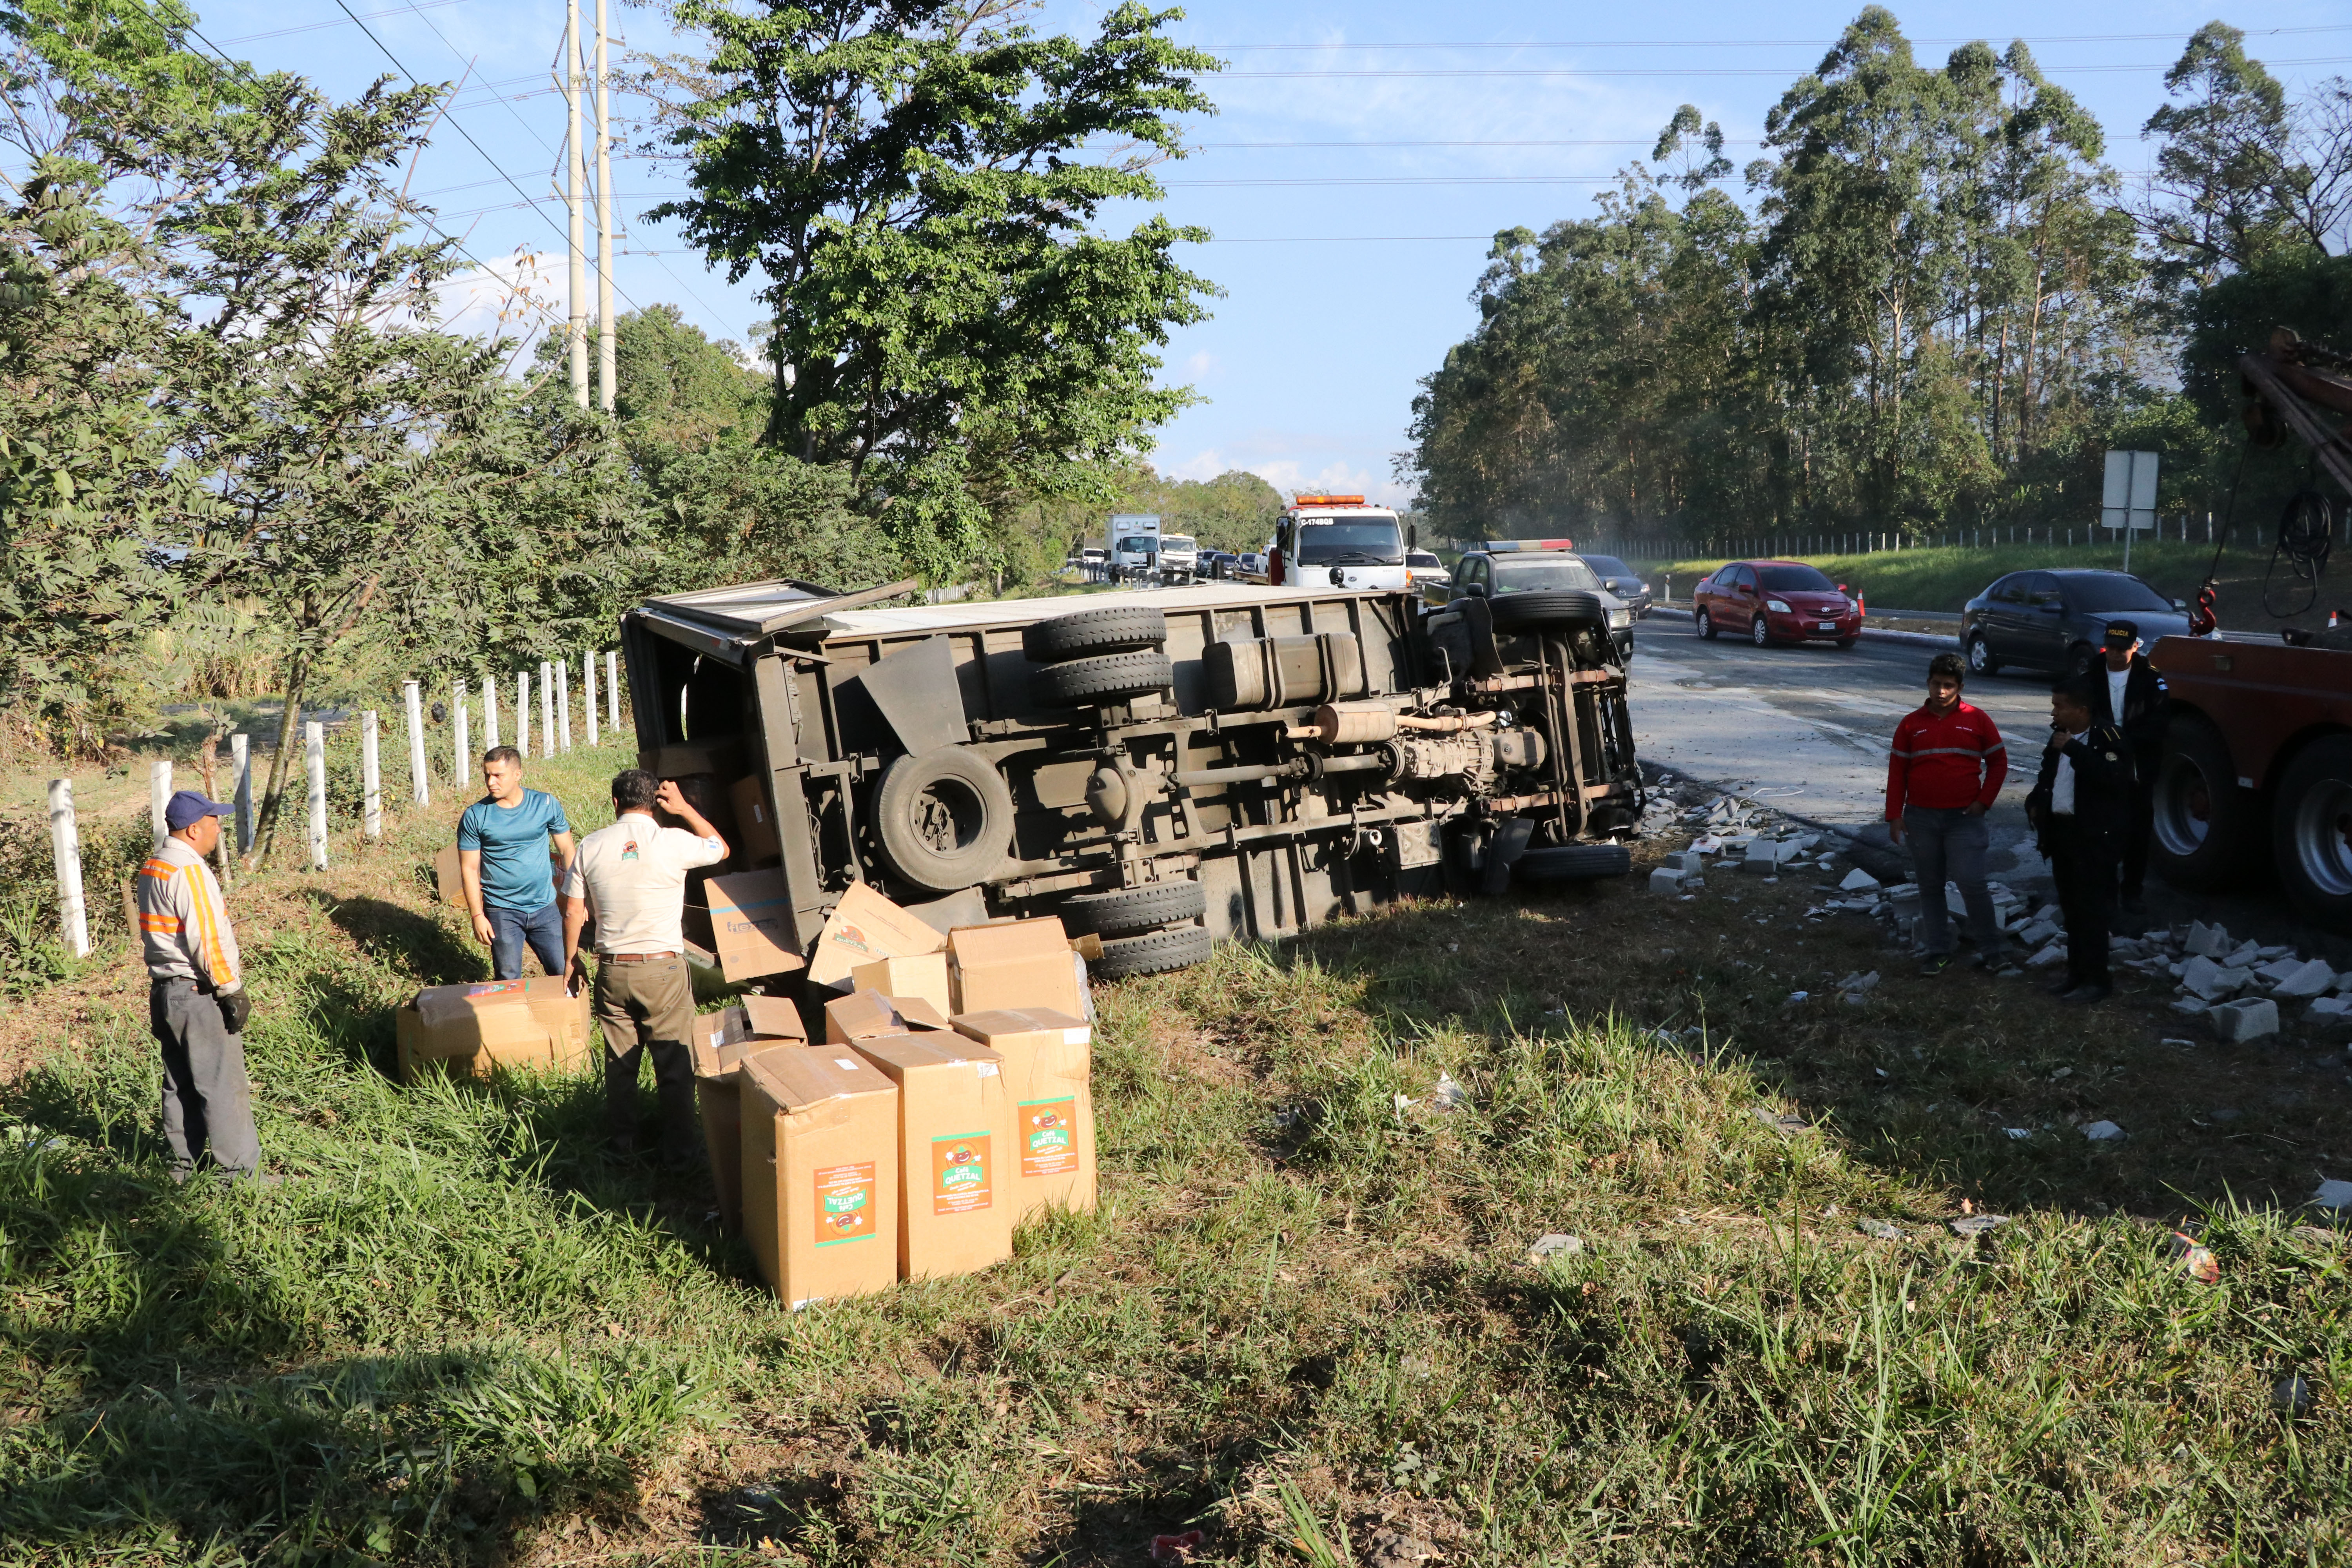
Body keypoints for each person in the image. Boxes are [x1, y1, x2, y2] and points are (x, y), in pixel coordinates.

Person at [560, 770, 729, 1165]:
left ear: (614, 802)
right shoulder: (672, 841)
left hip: (613, 970)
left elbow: (572, 908)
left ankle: (623, 1150)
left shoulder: (591, 845)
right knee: (674, 1066)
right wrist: (685, 808)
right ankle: (681, 1156)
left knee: (620, 1067)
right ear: (655, 803)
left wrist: (572, 960)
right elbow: (719, 848)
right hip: (663, 971)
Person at [138, 790, 269, 1183]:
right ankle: (242, 1176)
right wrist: (230, 990)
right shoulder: (189, 871)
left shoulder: (154, 866)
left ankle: (183, 1168)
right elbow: (206, 940)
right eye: (215, 823)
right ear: (195, 829)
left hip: (165, 992)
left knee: (179, 1084)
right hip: (197, 993)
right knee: (223, 1085)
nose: (218, 830)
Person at [1885, 651, 2010, 975]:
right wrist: (1894, 815)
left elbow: (1998, 763)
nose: (1941, 692)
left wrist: (1984, 802)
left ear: (1961, 687)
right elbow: (1897, 772)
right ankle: (1938, 951)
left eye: (1949, 686)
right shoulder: (1911, 724)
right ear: (1927, 683)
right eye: (1936, 684)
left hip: (1965, 820)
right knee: (1930, 886)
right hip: (1921, 819)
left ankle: (1992, 950)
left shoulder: (1978, 719)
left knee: (1972, 883)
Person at [2025, 676, 2136, 1004]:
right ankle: (2076, 974)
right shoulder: (2060, 737)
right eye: (2054, 706)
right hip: (2062, 835)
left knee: (2093, 911)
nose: (2054, 712)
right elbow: (2049, 776)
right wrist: (2035, 802)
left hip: (2093, 839)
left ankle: (2097, 980)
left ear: (2082, 709)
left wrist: (2074, 748)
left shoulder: (2108, 737)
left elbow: (2114, 779)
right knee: (2072, 910)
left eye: (2060, 706)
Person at [457, 745, 575, 980]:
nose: (491, 782)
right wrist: (477, 916)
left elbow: (567, 849)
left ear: (517, 775)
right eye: (487, 775)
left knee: (564, 972)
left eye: (498, 775)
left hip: (545, 907)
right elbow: (469, 868)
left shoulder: (545, 805)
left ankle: (572, 1017)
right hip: (502, 911)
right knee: (508, 979)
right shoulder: (476, 815)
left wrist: (574, 897)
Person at [2089, 620, 2167, 911]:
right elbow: (2078, 711)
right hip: (2100, 764)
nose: (2114, 654)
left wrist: (2125, 741)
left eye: (2122, 649)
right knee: (2101, 832)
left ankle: (2132, 892)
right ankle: (2103, 892)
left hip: (2137, 767)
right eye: (2110, 647)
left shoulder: (2150, 678)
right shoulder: (2092, 673)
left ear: (2136, 647)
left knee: (2137, 833)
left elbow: (2160, 721)